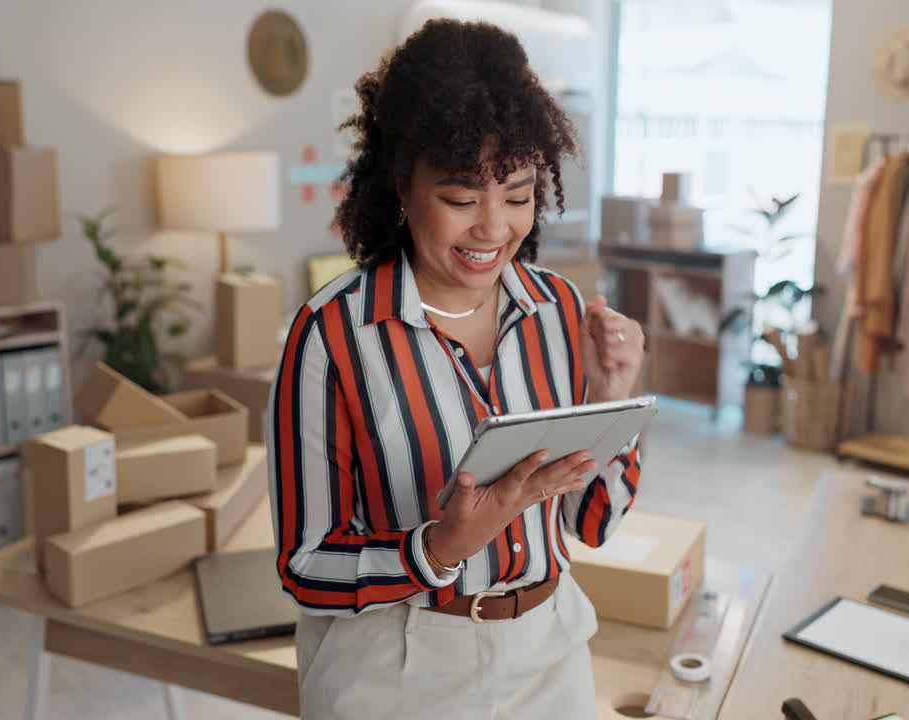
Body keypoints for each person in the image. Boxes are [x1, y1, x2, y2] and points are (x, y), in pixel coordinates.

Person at [269, 18, 646, 720]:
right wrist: (440, 547)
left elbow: (591, 524)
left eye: (519, 195)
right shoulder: (331, 336)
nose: (495, 229)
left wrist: (610, 397)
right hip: (397, 669)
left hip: (549, 656)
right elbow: (304, 566)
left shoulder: (559, 309)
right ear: (403, 188)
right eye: (461, 199)